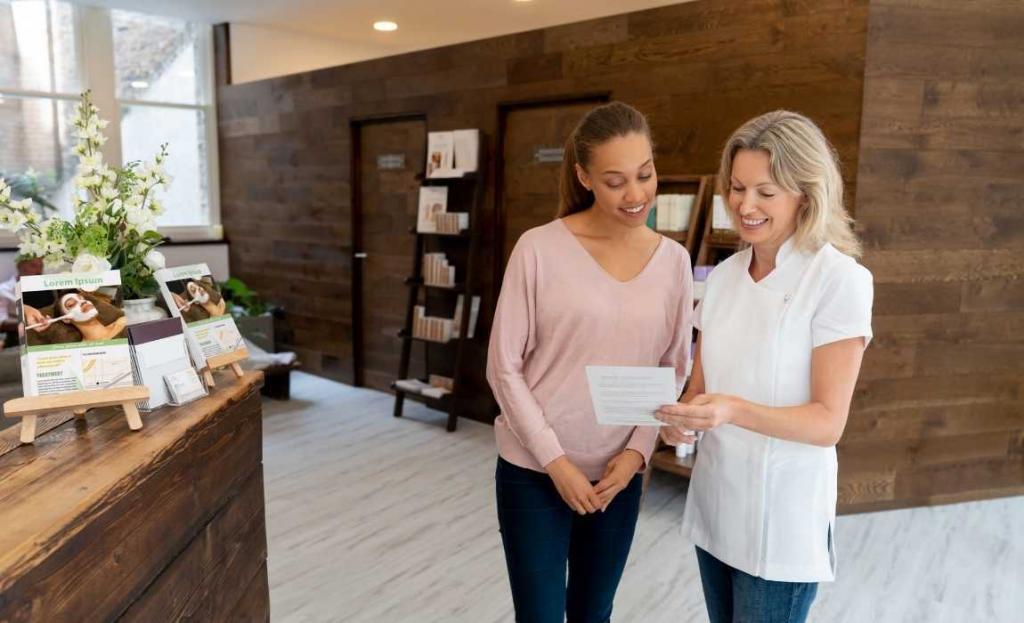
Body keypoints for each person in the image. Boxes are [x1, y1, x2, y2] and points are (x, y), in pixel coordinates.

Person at [656, 110, 874, 623]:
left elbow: (826, 422)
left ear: (806, 193)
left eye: (765, 192)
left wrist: (729, 409)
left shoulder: (839, 280)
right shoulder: (724, 276)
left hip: (783, 522)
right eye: (736, 188)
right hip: (716, 502)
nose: (744, 205)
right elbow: (700, 390)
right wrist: (678, 421)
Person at [487, 102, 693, 623]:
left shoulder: (674, 261)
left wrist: (637, 455)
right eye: (615, 180)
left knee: (593, 614)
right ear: (583, 177)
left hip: (616, 474)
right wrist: (556, 463)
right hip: (534, 471)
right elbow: (503, 367)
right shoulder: (539, 249)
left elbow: (673, 367)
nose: (636, 195)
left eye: (644, 175)